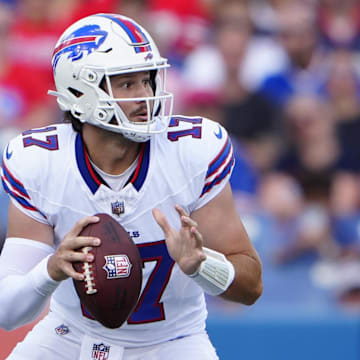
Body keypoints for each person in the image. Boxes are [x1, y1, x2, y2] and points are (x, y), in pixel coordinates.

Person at [0, 13, 262, 360]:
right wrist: (49, 271)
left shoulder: (191, 152)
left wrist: (201, 264)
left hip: (174, 342)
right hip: (70, 336)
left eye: (147, 80)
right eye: (126, 84)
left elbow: (251, 287)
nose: (145, 95)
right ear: (79, 91)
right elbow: (8, 313)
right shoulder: (40, 162)